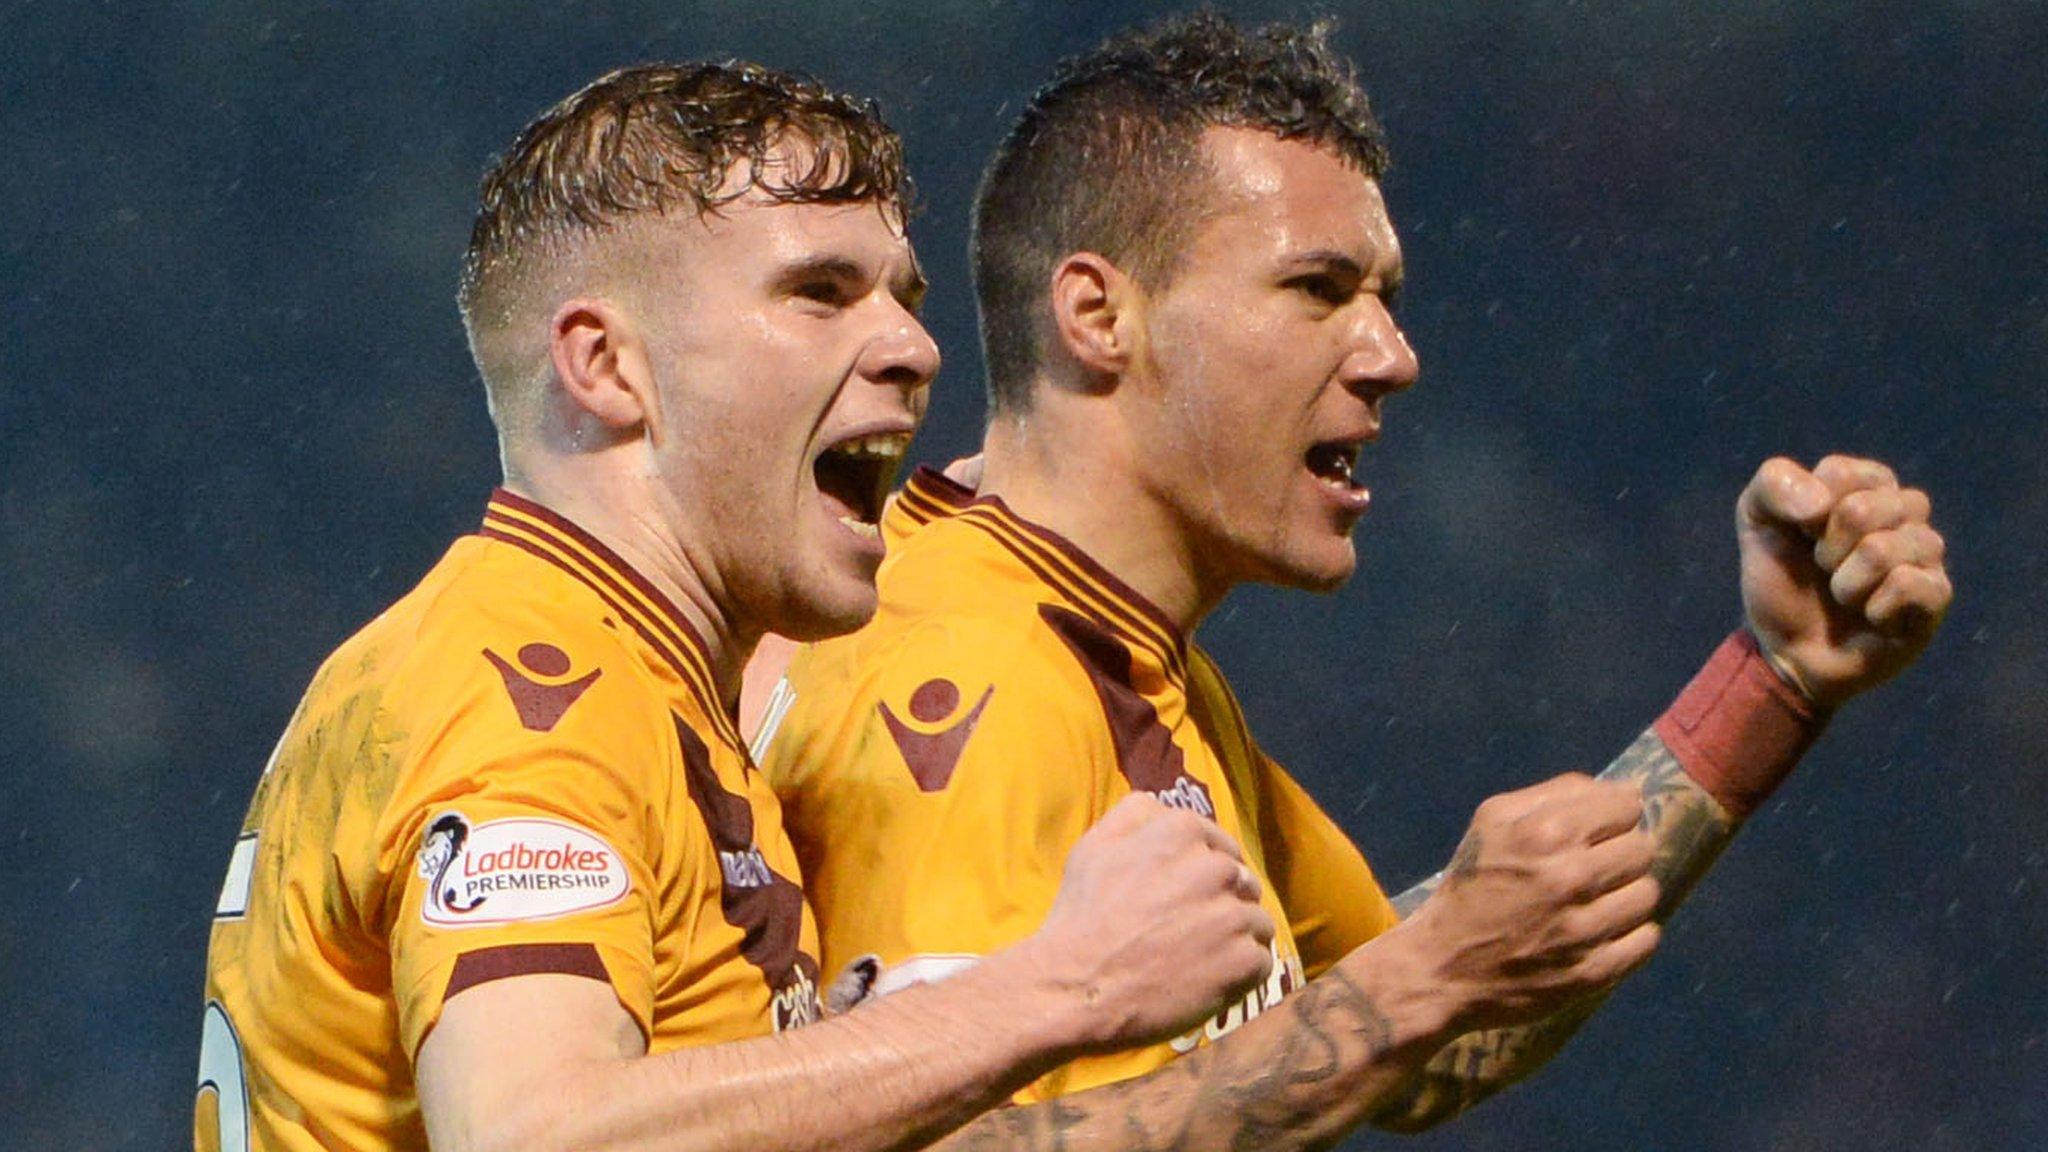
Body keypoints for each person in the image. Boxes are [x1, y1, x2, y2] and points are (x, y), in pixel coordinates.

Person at [751, 14, 1953, 1148]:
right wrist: (1429, 976)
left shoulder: (1115, 657)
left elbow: (1425, 1033)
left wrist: (1772, 680)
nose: (1391, 357)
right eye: (1316, 290)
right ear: (1096, 314)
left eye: (1383, 300)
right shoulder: (961, 690)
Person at [194, 61, 1280, 1152]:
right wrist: (1065, 988)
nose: (914, 348)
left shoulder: (634, 689)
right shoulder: (531, 693)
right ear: (607, 367)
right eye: (818, 292)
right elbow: (535, 1133)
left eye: (902, 298)